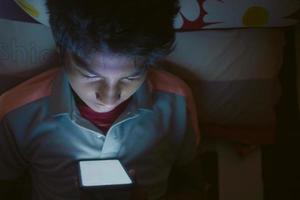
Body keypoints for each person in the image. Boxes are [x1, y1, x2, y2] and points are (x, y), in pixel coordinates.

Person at [0, 0, 200, 199]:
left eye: (131, 77)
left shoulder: (176, 102)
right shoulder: (17, 114)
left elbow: (192, 180)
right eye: (90, 76)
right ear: (62, 52)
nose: (109, 97)